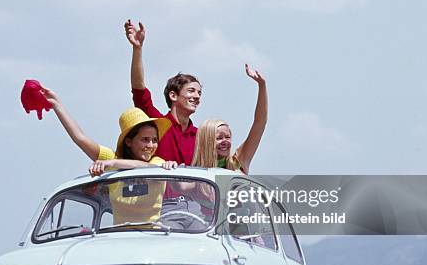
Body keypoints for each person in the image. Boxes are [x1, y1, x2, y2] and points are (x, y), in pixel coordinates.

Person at [40, 87, 177, 224]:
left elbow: (146, 167)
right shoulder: (113, 159)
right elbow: (80, 138)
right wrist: (56, 104)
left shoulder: (157, 162)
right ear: (129, 141)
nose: (151, 145)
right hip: (117, 239)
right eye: (145, 140)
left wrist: (111, 164)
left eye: (154, 140)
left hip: (152, 238)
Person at [124, 19, 201, 165]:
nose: (196, 96)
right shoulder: (157, 126)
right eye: (191, 91)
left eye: (199, 93)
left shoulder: (201, 136)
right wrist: (137, 49)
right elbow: (138, 89)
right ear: (173, 95)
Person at [191, 64, 267, 174]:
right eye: (219, 138)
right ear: (206, 141)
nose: (225, 141)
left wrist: (262, 85)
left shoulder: (238, 161)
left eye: (227, 137)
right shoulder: (194, 170)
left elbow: (259, 123)